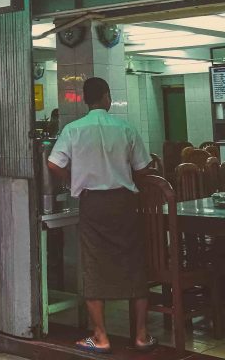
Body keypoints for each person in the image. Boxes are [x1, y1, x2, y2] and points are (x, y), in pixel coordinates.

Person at [47, 77, 155, 353]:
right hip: (124, 203)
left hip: (92, 204)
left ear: (85, 99)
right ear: (107, 97)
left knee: (93, 264)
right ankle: (141, 335)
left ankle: (101, 337)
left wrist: (75, 180)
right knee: (133, 264)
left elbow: (53, 163)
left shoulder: (73, 130)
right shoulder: (125, 128)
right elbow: (144, 168)